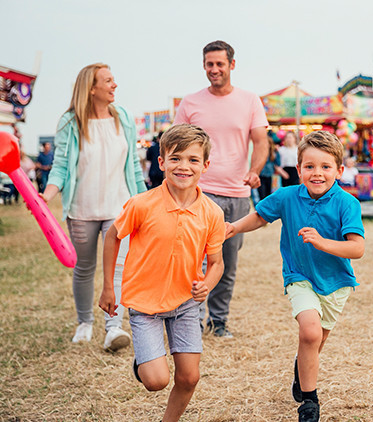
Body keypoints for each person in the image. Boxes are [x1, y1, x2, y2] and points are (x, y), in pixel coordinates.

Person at [224, 131, 365, 422]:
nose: (317, 173)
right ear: (298, 169)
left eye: (326, 167)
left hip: (335, 283)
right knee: (310, 332)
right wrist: (234, 228)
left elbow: (357, 248)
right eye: (310, 167)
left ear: (339, 170)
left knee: (315, 341)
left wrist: (322, 242)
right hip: (298, 275)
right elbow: (260, 216)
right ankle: (309, 404)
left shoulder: (347, 203)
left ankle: (302, 370)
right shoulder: (287, 196)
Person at [100, 124, 225, 422]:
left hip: (185, 305)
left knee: (189, 377)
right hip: (144, 305)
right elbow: (113, 236)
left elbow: (217, 263)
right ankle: (143, 363)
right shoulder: (142, 204)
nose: (184, 166)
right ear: (161, 162)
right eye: (176, 158)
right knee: (156, 381)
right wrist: (108, 287)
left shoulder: (212, 213)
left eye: (193, 160)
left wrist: (206, 285)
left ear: (205, 165)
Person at [42, 63, 147, 351]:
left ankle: (113, 328)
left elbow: (134, 168)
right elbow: (60, 167)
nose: (115, 85)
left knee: (118, 270)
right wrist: (46, 196)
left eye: (114, 80)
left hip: (119, 207)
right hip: (82, 209)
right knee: (84, 267)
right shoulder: (69, 122)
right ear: (92, 89)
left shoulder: (122, 117)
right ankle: (84, 321)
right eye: (109, 81)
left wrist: (145, 200)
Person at [173, 40, 268, 338]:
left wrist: (255, 171)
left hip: (237, 194)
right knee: (195, 260)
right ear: (203, 66)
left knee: (225, 262)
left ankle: (219, 321)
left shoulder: (250, 100)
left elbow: (261, 141)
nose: (214, 69)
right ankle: (191, 322)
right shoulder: (190, 103)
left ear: (232, 65)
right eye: (209, 64)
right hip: (200, 194)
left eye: (219, 64)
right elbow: (175, 141)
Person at [257, 134, 289, 202]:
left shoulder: (274, 153)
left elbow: (278, 163)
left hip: (270, 176)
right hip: (261, 176)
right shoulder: (259, 152)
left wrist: (276, 151)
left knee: (268, 195)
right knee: (262, 195)